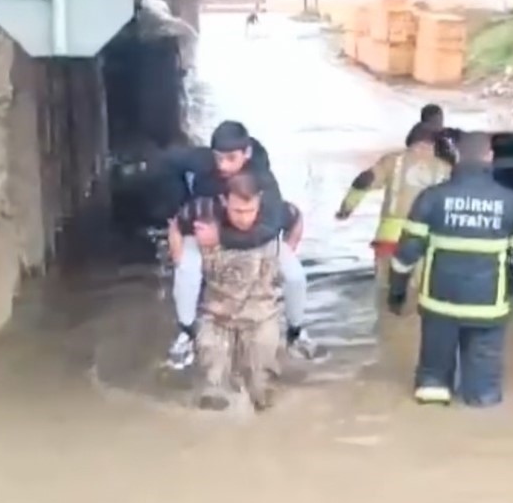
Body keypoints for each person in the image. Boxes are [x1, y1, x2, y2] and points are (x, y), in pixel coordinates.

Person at [386, 132, 513, 407]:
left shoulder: (431, 199)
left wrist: (397, 291)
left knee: (431, 388)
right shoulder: (511, 203)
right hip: (487, 311)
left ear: (457, 156)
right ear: (490, 157)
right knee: (483, 396)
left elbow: (406, 254)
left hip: (439, 309)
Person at [160, 120, 319, 369]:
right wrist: (177, 229)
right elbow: (167, 163)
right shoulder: (203, 167)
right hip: (208, 229)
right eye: (218, 158)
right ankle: (186, 333)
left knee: (295, 276)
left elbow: (272, 226)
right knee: (187, 270)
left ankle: (296, 332)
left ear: (247, 154)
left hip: (255, 236)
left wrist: (223, 238)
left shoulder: (264, 180)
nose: (223, 165)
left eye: (231, 158)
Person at [335, 123, 451, 355]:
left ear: (410, 139)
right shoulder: (446, 168)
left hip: (389, 238)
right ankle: (415, 347)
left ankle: (387, 345)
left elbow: (364, 179)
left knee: (385, 293)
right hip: (426, 242)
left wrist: (346, 208)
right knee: (421, 296)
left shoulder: (394, 161)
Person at [190, 172, 286, 412]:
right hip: (216, 321)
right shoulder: (207, 227)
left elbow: (295, 217)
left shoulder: (271, 225)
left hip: (260, 320)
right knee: (213, 398)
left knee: (264, 394)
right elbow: (178, 227)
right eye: (237, 211)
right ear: (224, 202)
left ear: (260, 202)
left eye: (249, 211)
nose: (244, 219)